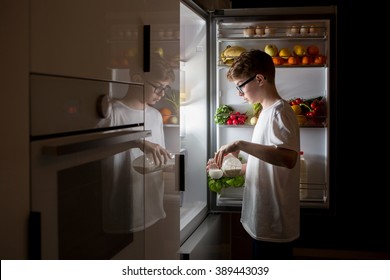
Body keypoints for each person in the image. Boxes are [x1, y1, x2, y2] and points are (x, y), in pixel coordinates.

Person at [213, 49, 300, 260]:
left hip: (273, 222)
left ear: (259, 79)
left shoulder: (280, 112)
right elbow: (268, 161)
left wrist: (240, 144)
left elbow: (288, 159)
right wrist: (231, 170)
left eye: (241, 86)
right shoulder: (265, 111)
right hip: (263, 218)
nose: (239, 93)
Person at [99, 53, 175, 233]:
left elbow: (159, 157)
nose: (162, 94)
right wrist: (137, 141)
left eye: (165, 88)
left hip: (152, 206)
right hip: (122, 207)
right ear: (137, 79)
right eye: (158, 87)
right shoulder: (113, 112)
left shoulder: (156, 116)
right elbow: (99, 150)